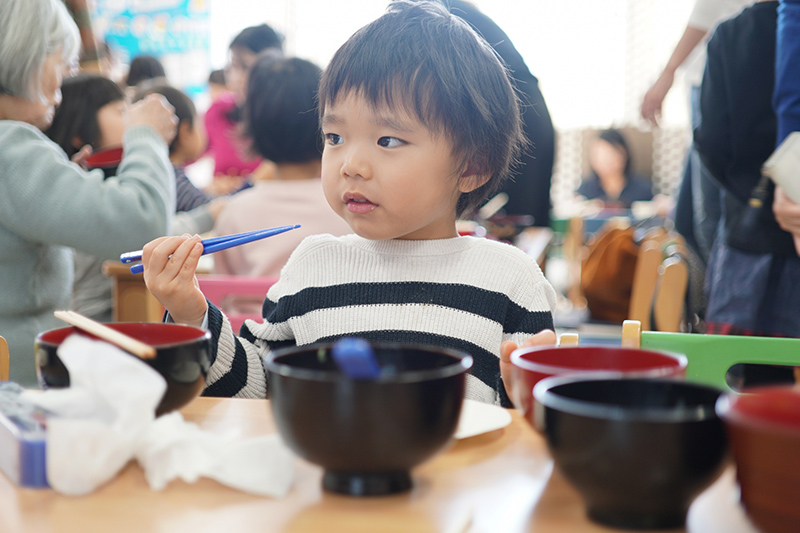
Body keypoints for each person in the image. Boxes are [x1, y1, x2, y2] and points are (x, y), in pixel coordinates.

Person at [140, 0, 558, 407]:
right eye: (334, 137)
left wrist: (528, 400)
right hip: (325, 475)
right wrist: (191, 311)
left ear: (473, 164)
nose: (351, 165)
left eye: (388, 140)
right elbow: (259, 385)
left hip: (456, 477)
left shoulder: (509, 280)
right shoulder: (313, 267)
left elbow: (524, 429)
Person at [0, 0, 177, 386]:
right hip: (21, 394)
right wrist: (145, 136)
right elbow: (142, 221)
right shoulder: (10, 146)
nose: (65, 76)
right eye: (60, 61)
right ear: (25, 57)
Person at [44, 74, 226, 322]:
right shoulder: (82, 188)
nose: (132, 119)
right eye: (121, 111)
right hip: (97, 326)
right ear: (80, 131)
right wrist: (145, 134)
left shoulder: (84, 182)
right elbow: (150, 232)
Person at [694, 1, 800, 344]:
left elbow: (709, 141)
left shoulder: (730, 34)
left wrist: (746, 188)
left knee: (740, 375)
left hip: (747, 235)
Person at [213, 54, 351, 279]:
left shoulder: (235, 212)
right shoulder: (348, 208)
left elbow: (222, 295)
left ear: (254, 126)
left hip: (248, 315)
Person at [642, 0, 753, 265]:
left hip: (717, 85)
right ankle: (710, 299)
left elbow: (706, 13)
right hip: (704, 84)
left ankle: (722, 299)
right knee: (687, 223)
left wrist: (667, 73)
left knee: (708, 221)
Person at [449, 0, 555, 226]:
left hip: (518, 118)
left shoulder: (431, 12)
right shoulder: (465, 13)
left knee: (512, 225)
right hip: (531, 112)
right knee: (526, 223)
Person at [203, 24, 284, 193]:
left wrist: (242, 189)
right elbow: (186, 155)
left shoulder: (291, 118)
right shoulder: (219, 111)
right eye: (231, 67)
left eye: (245, 68)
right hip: (225, 210)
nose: (235, 77)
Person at [576, 129, 653, 208]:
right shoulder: (585, 191)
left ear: (624, 154)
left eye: (608, 154)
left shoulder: (642, 190)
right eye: (598, 155)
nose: (603, 161)